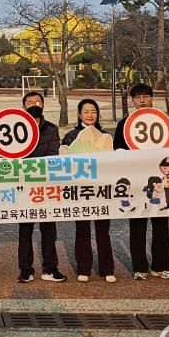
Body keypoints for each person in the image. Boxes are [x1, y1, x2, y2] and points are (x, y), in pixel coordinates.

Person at [113, 83, 169, 280]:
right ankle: (139, 267)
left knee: (161, 224)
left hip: (159, 182)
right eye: (138, 97)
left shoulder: (162, 121)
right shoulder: (124, 124)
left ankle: (161, 265)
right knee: (137, 225)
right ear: (132, 100)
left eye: (146, 96)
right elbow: (117, 150)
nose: (142, 100)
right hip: (135, 182)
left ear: (152, 98)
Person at [62, 99, 115, 283]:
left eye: (93, 111)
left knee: (103, 231)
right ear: (79, 115)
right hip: (80, 191)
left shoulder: (105, 135)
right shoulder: (71, 136)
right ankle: (83, 269)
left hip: (101, 191)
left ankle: (107, 269)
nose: (90, 115)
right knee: (82, 230)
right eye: (86, 112)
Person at [17, 91, 66, 283]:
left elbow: (54, 154)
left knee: (49, 229)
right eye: (30, 102)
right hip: (23, 186)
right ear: (23, 107)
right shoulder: (14, 127)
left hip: (46, 187)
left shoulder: (51, 129)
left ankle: (50, 268)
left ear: (43, 106)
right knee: (25, 230)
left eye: (38, 102)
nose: (34, 105)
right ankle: (25, 269)